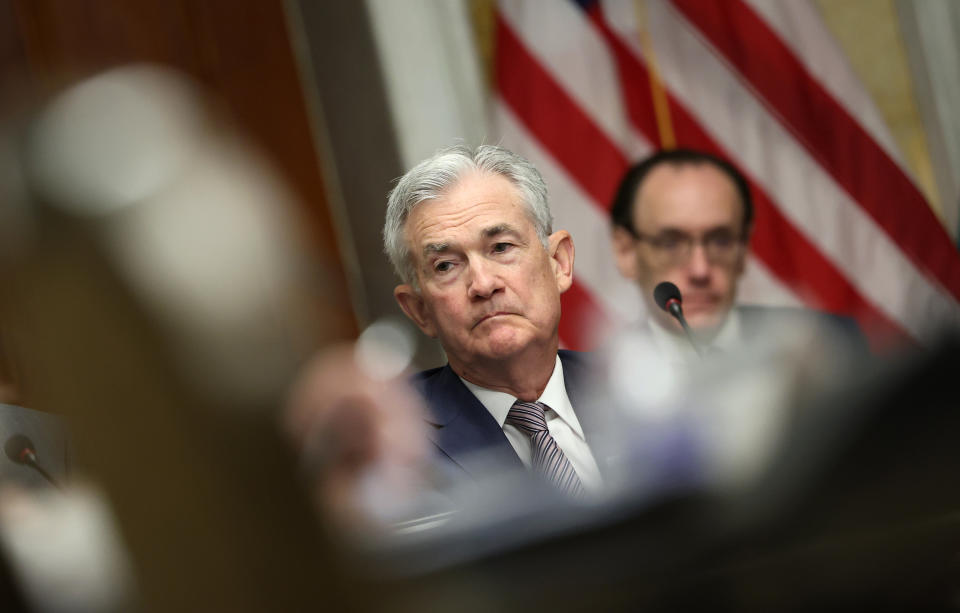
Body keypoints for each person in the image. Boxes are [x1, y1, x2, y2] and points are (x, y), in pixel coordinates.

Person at [383, 144, 604, 494]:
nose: (483, 284)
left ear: (559, 262)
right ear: (419, 310)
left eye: (501, 247)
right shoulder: (396, 444)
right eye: (445, 266)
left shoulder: (635, 389)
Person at [609, 148, 863, 362]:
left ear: (744, 248)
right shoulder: (586, 388)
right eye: (671, 243)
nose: (700, 270)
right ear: (626, 252)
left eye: (720, 240)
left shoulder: (828, 348)